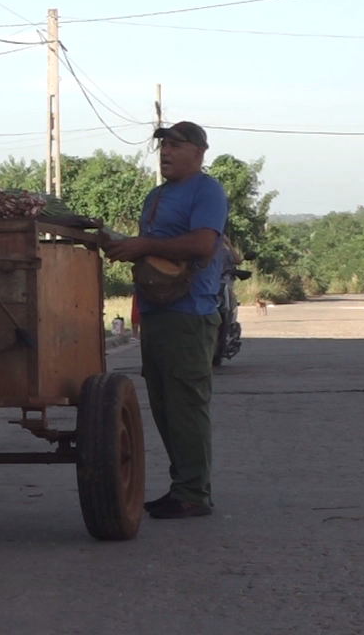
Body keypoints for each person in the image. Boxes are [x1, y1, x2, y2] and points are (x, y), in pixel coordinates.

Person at [102, 121, 227, 519]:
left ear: (199, 153)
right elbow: (152, 249)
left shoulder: (206, 190)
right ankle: (183, 487)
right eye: (163, 146)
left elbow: (203, 242)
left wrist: (144, 244)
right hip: (157, 310)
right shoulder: (156, 196)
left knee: (186, 406)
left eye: (175, 145)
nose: (166, 153)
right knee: (164, 407)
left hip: (189, 314)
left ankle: (194, 493)